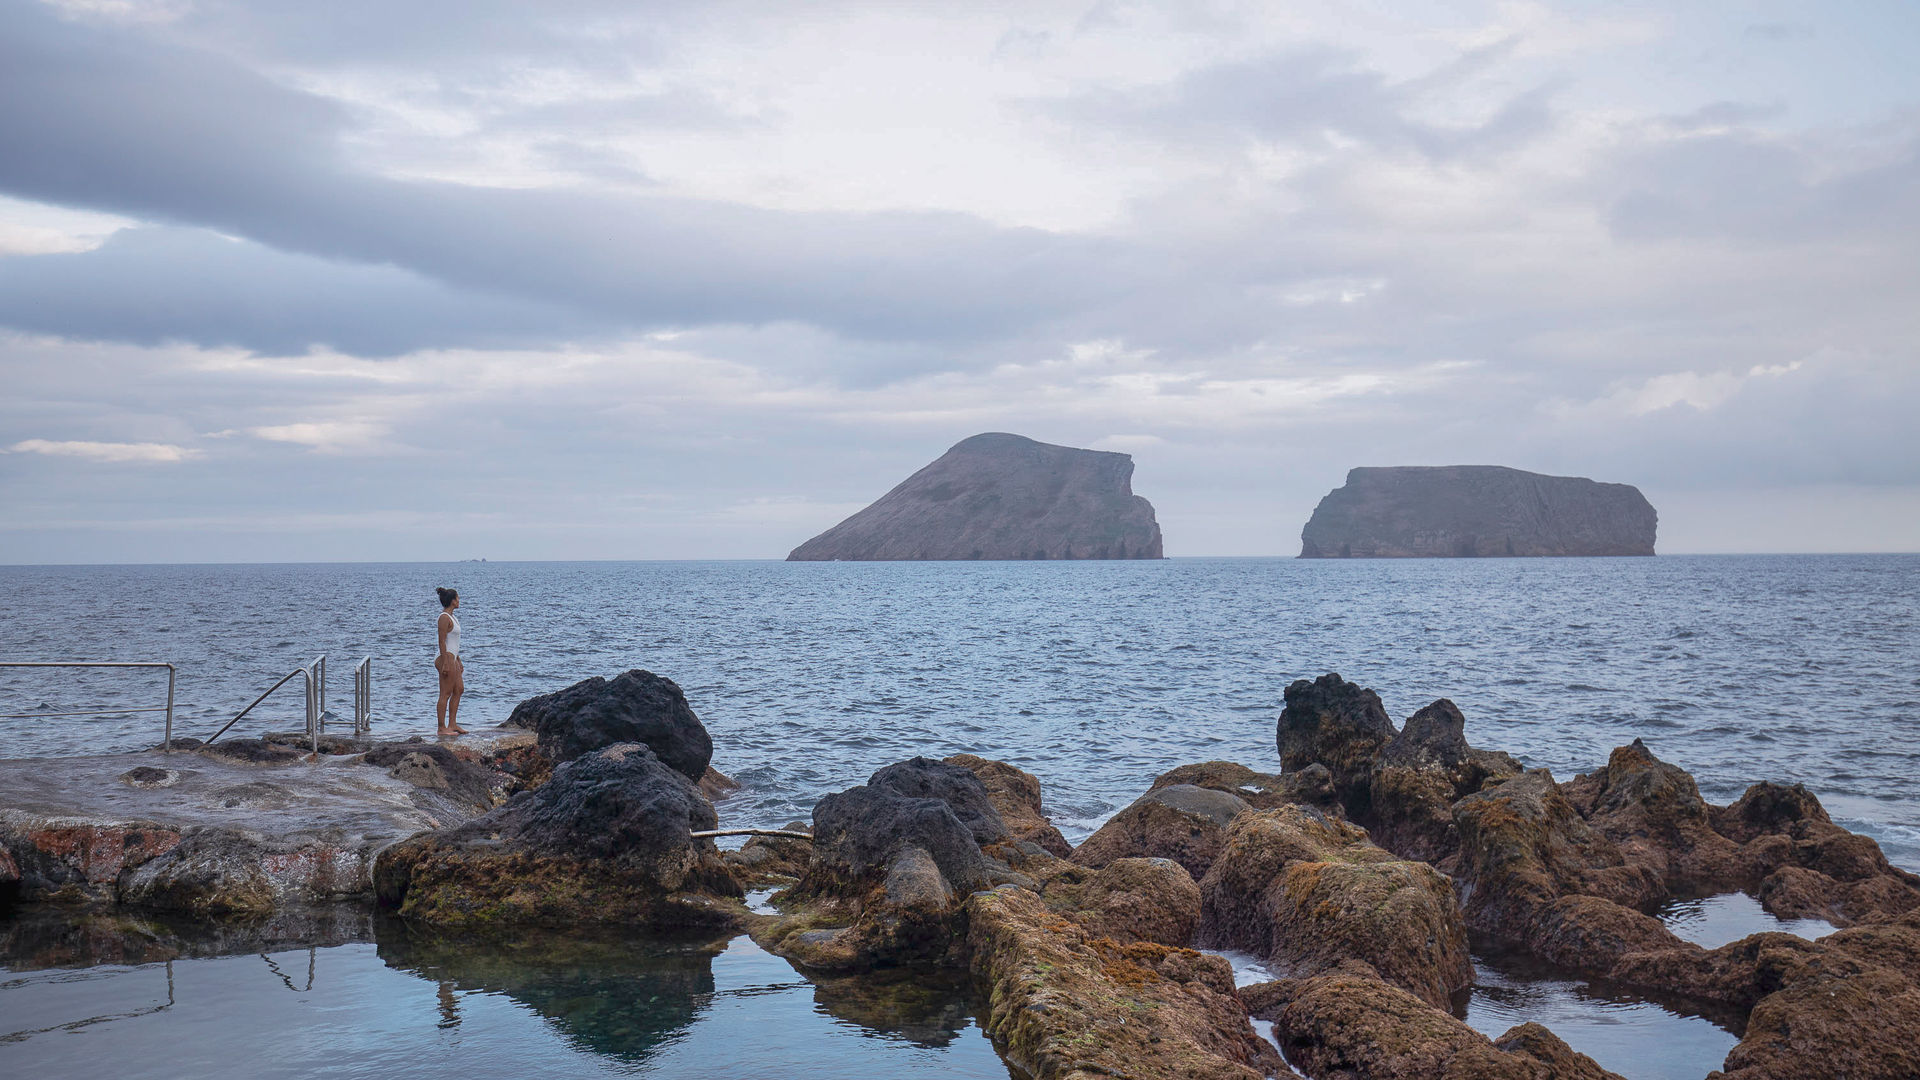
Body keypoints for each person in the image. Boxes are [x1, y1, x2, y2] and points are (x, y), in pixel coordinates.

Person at [434, 587, 467, 735]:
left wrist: (458, 660)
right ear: (452, 601)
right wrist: (446, 663)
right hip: (444, 657)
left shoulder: (453, 617)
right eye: (457, 598)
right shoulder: (443, 618)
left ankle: (452, 724)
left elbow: (454, 641)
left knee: (459, 689)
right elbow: (441, 642)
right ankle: (441, 728)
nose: (459, 600)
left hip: (453, 657)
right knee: (445, 693)